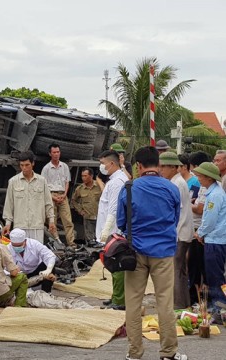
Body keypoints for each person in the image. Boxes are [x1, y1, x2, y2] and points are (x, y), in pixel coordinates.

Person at [118, 146, 185, 360]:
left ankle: (134, 353)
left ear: (138, 166)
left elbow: (121, 222)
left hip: (135, 252)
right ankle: (168, 353)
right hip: (164, 252)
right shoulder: (171, 188)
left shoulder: (129, 188)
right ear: (158, 164)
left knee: (133, 302)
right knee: (165, 302)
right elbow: (174, 219)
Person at [158, 152, 194, 309]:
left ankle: (177, 305)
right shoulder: (176, 181)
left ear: (173, 167)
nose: (160, 170)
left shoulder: (176, 184)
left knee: (175, 272)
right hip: (181, 232)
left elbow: (176, 213)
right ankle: (183, 303)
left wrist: (170, 235)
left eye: (163, 167)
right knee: (180, 271)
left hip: (178, 233)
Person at [96, 150, 129, 310]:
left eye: (103, 163)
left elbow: (114, 208)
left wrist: (106, 230)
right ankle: (116, 295)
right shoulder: (115, 180)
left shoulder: (117, 182)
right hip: (111, 231)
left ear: (111, 163)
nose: (101, 167)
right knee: (113, 265)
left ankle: (119, 300)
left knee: (117, 266)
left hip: (114, 231)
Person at [193, 162, 226, 316]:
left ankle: (220, 308)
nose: (198, 179)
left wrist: (200, 233)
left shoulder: (215, 195)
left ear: (208, 178)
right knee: (214, 275)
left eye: (200, 176)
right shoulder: (214, 193)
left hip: (215, 241)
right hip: (215, 239)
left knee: (215, 277)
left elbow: (210, 220)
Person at [2, 151, 56, 243]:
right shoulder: (13, 181)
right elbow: (9, 204)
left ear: (33, 163)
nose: (24, 168)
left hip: (37, 225)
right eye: (22, 165)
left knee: (36, 254)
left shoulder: (42, 181)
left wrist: (51, 220)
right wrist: (8, 224)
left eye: (27, 165)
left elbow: (48, 202)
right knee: (20, 254)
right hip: (20, 226)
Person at [41, 143, 75, 248]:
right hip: (51, 195)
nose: (56, 154)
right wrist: (53, 197)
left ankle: (71, 243)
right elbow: (43, 186)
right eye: (54, 152)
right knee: (52, 221)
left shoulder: (64, 166)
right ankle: (55, 243)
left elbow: (67, 182)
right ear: (50, 154)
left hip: (62, 194)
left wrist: (65, 194)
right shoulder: (46, 168)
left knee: (68, 220)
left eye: (58, 152)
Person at [188, 151, 210, 304]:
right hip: (200, 231)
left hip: (201, 232)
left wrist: (200, 233)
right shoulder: (205, 187)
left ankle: (201, 300)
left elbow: (204, 213)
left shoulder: (211, 191)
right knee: (199, 266)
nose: (197, 177)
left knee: (200, 267)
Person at [7, 228, 57, 293]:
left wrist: (48, 269)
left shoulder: (34, 244)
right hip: (19, 275)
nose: (17, 248)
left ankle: (47, 293)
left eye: (19, 245)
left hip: (36, 271)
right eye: (14, 246)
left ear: (25, 241)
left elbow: (50, 256)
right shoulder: (7, 248)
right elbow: (3, 267)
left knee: (49, 265)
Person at [71, 168, 102, 247]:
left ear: (91, 176)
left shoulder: (99, 186)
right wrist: (80, 210)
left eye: (85, 176)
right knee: (90, 240)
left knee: (100, 239)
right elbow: (74, 201)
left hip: (100, 217)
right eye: (82, 176)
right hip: (88, 217)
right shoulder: (80, 189)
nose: (83, 178)